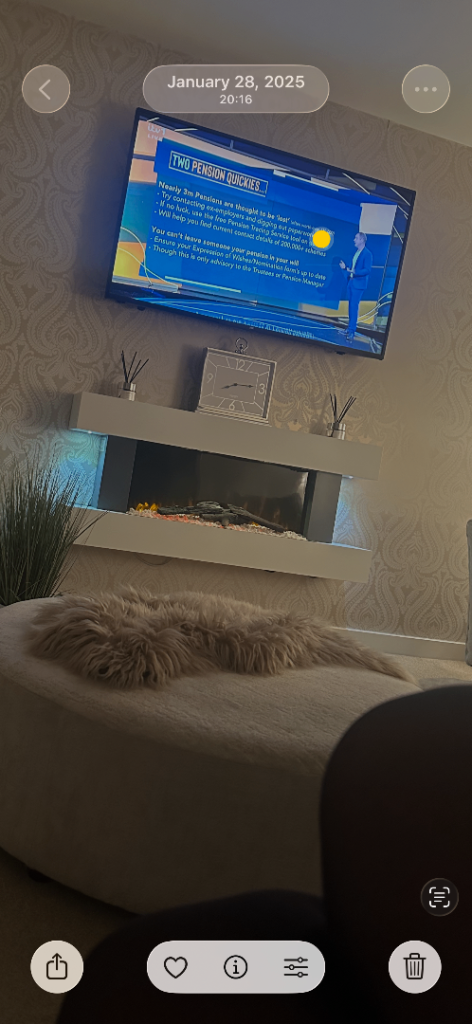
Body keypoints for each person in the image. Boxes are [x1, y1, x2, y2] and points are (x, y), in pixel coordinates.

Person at [339, 232, 373, 342]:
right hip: (351, 282)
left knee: (354, 307)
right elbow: (352, 268)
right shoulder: (357, 252)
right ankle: (349, 329)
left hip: (358, 285)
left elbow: (367, 270)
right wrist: (345, 268)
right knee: (351, 307)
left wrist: (355, 272)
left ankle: (352, 331)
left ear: (362, 240)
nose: (354, 240)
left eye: (356, 238)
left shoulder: (367, 254)